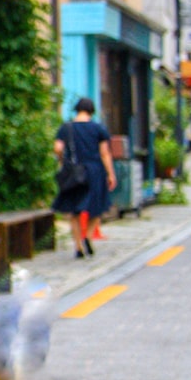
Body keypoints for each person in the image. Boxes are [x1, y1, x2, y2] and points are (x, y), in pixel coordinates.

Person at [54, 96, 116, 258]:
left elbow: (58, 148)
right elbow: (104, 153)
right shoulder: (98, 128)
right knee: (97, 206)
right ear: (91, 111)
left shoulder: (66, 128)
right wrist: (110, 173)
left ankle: (78, 246)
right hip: (94, 170)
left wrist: (63, 161)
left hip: (74, 173)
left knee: (74, 211)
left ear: (77, 109)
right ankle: (87, 236)